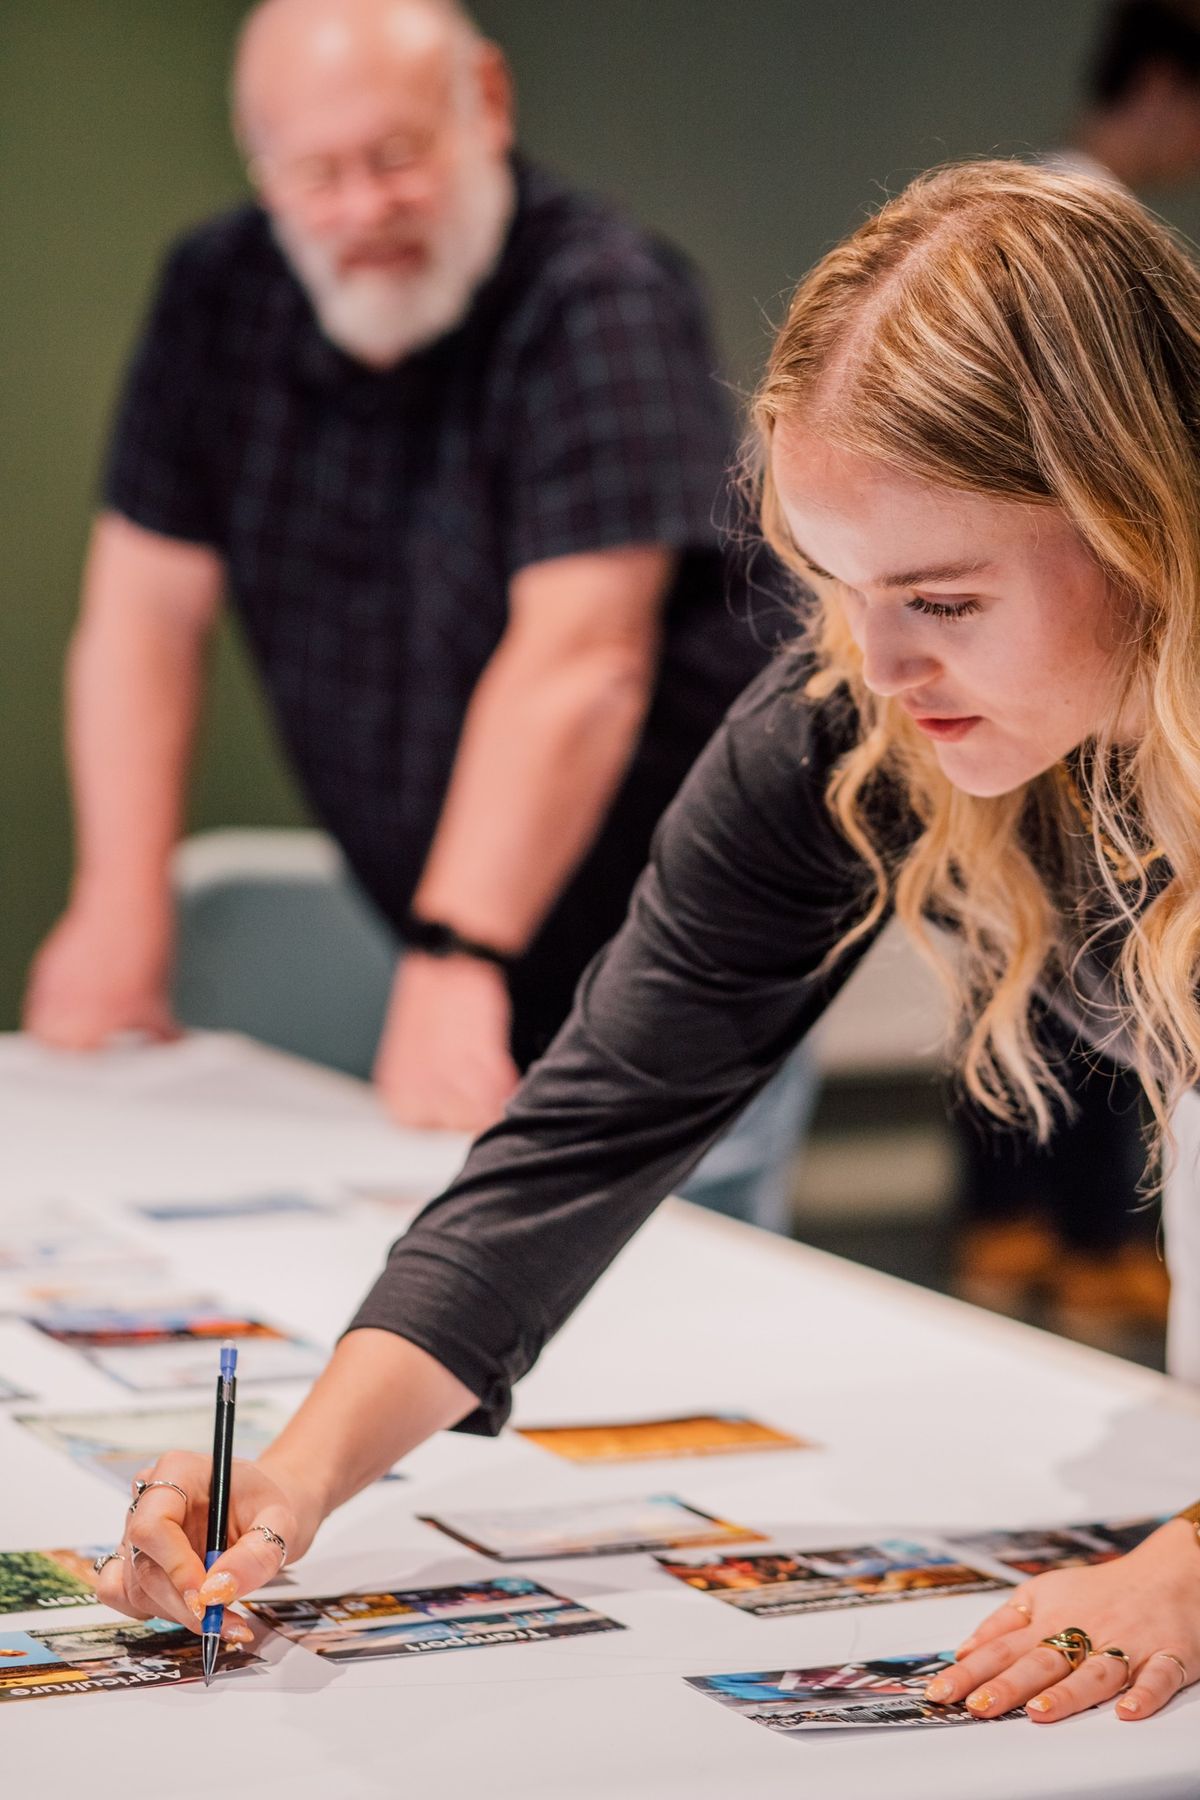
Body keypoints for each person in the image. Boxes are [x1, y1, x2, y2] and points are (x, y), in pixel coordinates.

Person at [96, 161, 1200, 1724]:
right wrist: (296, 1468)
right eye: (837, 585)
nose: (881, 664)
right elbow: (594, 1120)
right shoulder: (853, 712)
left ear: (1141, 522)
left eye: (942, 598)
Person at [21, 0, 787, 1148]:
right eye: (316, 175)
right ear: (260, 167)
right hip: (462, 927)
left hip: (686, 943)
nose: (362, 210)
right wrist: (120, 907)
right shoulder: (218, 296)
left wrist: (455, 950)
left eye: (394, 158)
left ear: (484, 101)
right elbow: (144, 616)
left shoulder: (601, 297)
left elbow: (580, 660)